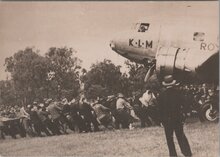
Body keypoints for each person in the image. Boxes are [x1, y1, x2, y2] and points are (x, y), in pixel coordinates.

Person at [158, 75, 192, 157]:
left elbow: (159, 109)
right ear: (173, 83)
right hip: (177, 118)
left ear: (165, 84)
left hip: (167, 120)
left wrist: (161, 120)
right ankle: (187, 153)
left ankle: (173, 155)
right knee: (181, 136)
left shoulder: (162, 95)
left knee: (169, 139)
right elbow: (185, 104)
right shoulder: (178, 93)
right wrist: (184, 115)